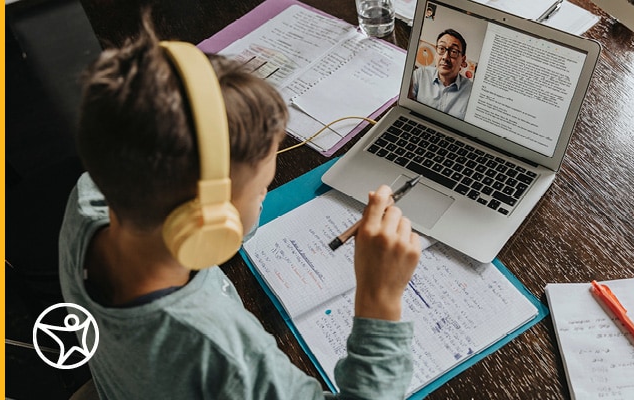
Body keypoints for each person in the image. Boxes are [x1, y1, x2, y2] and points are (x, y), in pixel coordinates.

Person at [59, 16, 421, 400]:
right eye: (262, 189)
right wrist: (379, 301)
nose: (264, 197)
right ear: (210, 219)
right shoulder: (224, 356)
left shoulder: (90, 199)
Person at [410, 28, 473, 119]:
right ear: (436, 53)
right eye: (441, 49)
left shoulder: (471, 92)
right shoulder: (421, 75)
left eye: (454, 51)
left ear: (463, 60)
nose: (445, 57)